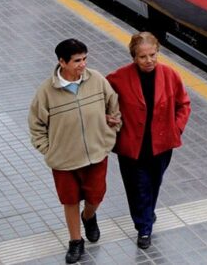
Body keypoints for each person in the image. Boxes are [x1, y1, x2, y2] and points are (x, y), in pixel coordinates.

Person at [29, 39, 122, 264]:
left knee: (96, 196)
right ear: (62, 62)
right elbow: (36, 125)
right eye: (77, 60)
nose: (83, 64)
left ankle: (89, 216)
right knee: (70, 200)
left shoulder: (97, 80)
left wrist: (112, 129)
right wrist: (49, 150)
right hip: (63, 160)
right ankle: (75, 241)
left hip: (96, 153)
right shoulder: (46, 92)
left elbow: (114, 106)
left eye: (85, 59)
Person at [107, 32, 191, 250]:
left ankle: (146, 214)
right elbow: (101, 99)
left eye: (153, 55)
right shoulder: (118, 77)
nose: (149, 60)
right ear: (134, 57)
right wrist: (108, 117)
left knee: (154, 183)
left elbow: (184, 104)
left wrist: (177, 128)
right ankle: (144, 228)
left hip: (161, 145)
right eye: (143, 56)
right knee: (138, 187)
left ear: (158, 52)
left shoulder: (170, 75)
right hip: (131, 146)